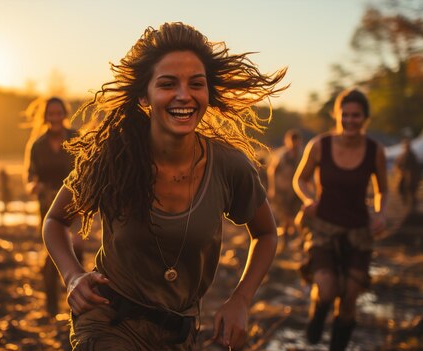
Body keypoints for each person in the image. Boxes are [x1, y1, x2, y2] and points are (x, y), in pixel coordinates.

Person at [43, 22, 286, 350]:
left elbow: (267, 234)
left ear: (207, 93)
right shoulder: (114, 158)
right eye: (168, 84)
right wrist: (72, 275)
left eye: (196, 84)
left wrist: (241, 299)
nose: (184, 95)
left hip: (180, 333)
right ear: (145, 94)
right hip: (108, 321)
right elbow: (56, 221)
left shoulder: (230, 166)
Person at [293, 88, 387, 351]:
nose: (350, 120)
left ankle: (338, 345)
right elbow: (300, 179)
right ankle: (318, 313)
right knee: (326, 289)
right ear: (337, 116)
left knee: (349, 298)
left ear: (365, 118)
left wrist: (380, 214)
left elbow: (382, 189)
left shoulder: (374, 151)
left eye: (356, 116)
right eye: (345, 115)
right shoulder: (319, 146)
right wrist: (309, 198)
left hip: (359, 231)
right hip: (323, 227)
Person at [24, 96, 84, 317]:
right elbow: (30, 176)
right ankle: (51, 305)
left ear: (64, 115)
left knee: (76, 247)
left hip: (76, 203)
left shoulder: (76, 138)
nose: (55, 118)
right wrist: (34, 186)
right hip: (48, 206)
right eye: (51, 114)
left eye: (59, 113)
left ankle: (78, 302)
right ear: (46, 117)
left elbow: (88, 168)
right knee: (52, 252)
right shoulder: (37, 145)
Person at [267, 129, 303, 250]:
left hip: (296, 191)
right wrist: (272, 188)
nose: (294, 143)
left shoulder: (302, 155)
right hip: (282, 190)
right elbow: (272, 172)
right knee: (285, 216)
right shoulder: (281, 155)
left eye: (296, 141)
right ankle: (285, 241)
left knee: (295, 216)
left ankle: (293, 239)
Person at [394, 137, 423, 211]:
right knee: (402, 190)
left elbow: (415, 167)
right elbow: (398, 165)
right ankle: (409, 205)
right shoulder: (403, 155)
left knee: (411, 191)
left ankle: (412, 207)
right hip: (404, 176)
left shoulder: (411, 155)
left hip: (411, 177)